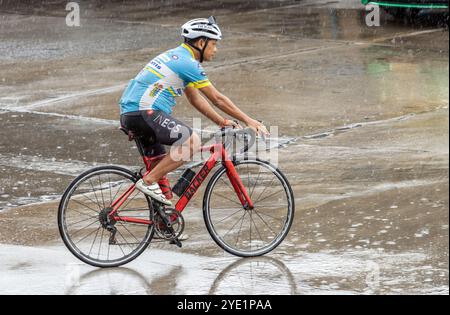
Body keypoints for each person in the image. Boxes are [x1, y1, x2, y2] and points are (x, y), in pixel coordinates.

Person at [119, 16, 268, 207]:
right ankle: (147, 181)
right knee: (192, 142)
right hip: (144, 112)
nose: (216, 49)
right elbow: (217, 98)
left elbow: (194, 98)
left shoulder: (177, 57)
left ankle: (163, 224)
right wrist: (250, 121)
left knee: (160, 172)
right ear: (201, 42)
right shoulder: (187, 63)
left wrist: (221, 121)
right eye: (213, 44)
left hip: (133, 114)